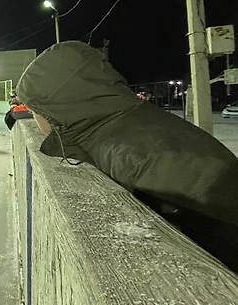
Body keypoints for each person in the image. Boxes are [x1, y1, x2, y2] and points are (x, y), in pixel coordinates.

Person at [17, 41, 238, 271]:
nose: (34, 119)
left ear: (54, 113)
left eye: (34, 112)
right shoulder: (124, 124)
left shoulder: (129, 155)